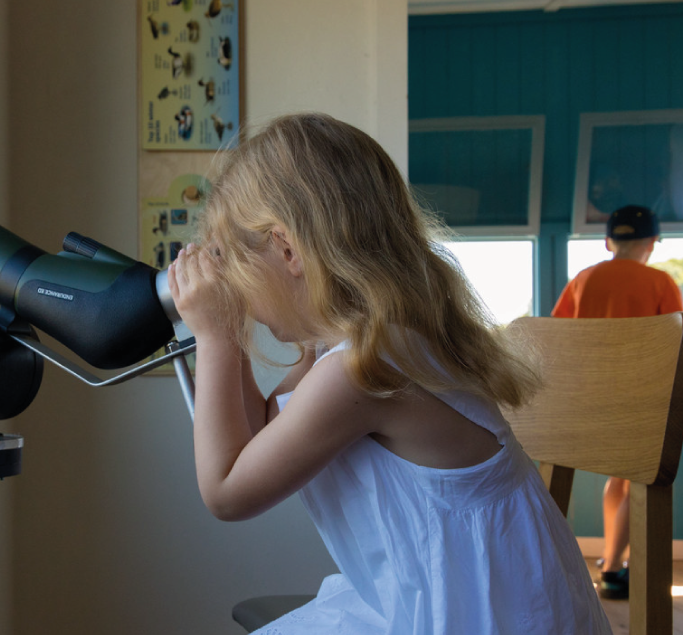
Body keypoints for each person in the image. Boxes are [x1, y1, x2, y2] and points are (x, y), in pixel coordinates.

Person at [167, 113, 612, 634]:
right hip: (437, 601)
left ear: (288, 250)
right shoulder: (361, 344)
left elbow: (227, 492)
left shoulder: (360, 370)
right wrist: (228, 332)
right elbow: (261, 433)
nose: (237, 292)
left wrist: (217, 337)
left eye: (240, 269)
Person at [552, 204, 683, 600]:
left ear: (610, 241)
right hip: (638, 399)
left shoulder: (583, 279)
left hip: (586, 400)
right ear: (652, 242)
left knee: (619, 481)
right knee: (636, 481)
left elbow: (558, 337)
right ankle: (612, 570)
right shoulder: (659, 282)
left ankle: (611, 561)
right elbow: (674, 346)